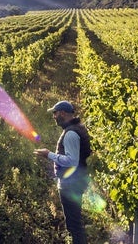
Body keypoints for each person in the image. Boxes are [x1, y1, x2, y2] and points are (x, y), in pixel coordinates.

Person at [34, 100, 91, 244]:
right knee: (75, 224)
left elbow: (72, 161)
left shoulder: (71, 133)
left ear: (63, 113)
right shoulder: (76, 128)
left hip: (71, 183)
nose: (53, 116)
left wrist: (48, 154)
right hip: (75, 181)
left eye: (55, 113)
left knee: (74, 226)